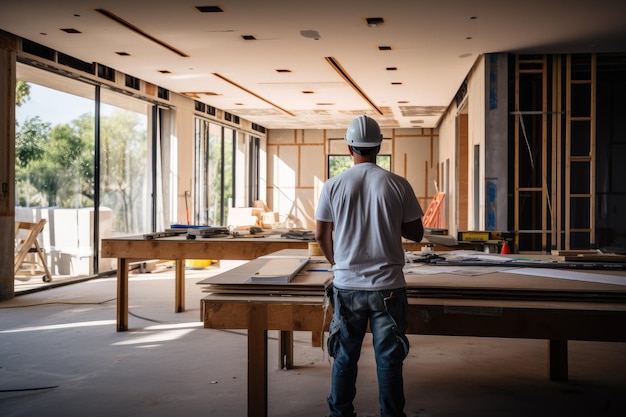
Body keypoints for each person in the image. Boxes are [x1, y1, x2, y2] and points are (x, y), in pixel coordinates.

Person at [315, 115, 425, 417]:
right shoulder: (397, 184)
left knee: (344, 356)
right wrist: (389, 219)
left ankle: (340, 414)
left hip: (347, 286)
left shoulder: (332, 186)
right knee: (389, 360)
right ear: (378, 147)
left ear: (349, 147)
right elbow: (416, 233)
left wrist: (339, 263)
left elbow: (321, 235)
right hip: (388, 287)